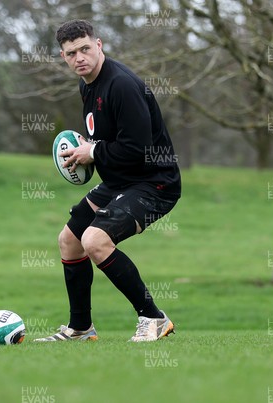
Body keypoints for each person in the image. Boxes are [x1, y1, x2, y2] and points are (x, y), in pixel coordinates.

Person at [34, 20, 181, 343]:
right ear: (64, 56)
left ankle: (154, 318)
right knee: (69, 241)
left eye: (85, 49)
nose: (80, 58)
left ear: (99, 45)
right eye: (72, 53)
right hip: (121, 182)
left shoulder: (123, 86)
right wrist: (83, 151)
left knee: (95, 241)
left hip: (155, 183)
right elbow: (105, 137)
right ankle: (81, 328)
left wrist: (94, 151)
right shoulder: (87, 85)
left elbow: (138, 148)